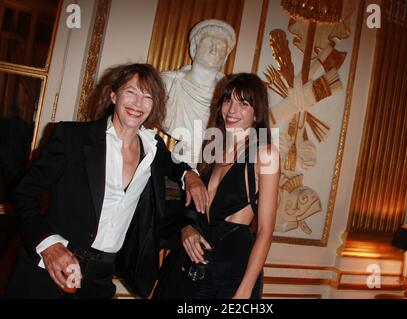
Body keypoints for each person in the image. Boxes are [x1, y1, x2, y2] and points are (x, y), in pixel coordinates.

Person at [5, 63, 208, 299]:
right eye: (130, 92)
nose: (137, 103)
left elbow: (174, 165)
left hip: (100, 276)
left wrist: (189, 175)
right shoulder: (72, 138)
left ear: (154, 106)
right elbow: (24, 194)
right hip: (51, 268)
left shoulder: (153, 148)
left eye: (147, 96)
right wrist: (49, 246)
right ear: (114, 95)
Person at [154, 73, 280, 299]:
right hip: (190, 264)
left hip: (230, 272)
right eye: (227, 100)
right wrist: (187, 227)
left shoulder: (265, 154)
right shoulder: (211, 149)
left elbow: (265, 230)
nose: (232, 110)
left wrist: (244, 291)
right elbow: (190, 207)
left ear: (256, 112)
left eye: (243, 103)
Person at [161, 19, 236, 167]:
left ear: (226, 56)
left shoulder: (230, 97)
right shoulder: (167, 84)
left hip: (210, 164)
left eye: (221, 46)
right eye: (208, 42)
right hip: (179, 164)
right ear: (194, 48)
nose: (214, 50)